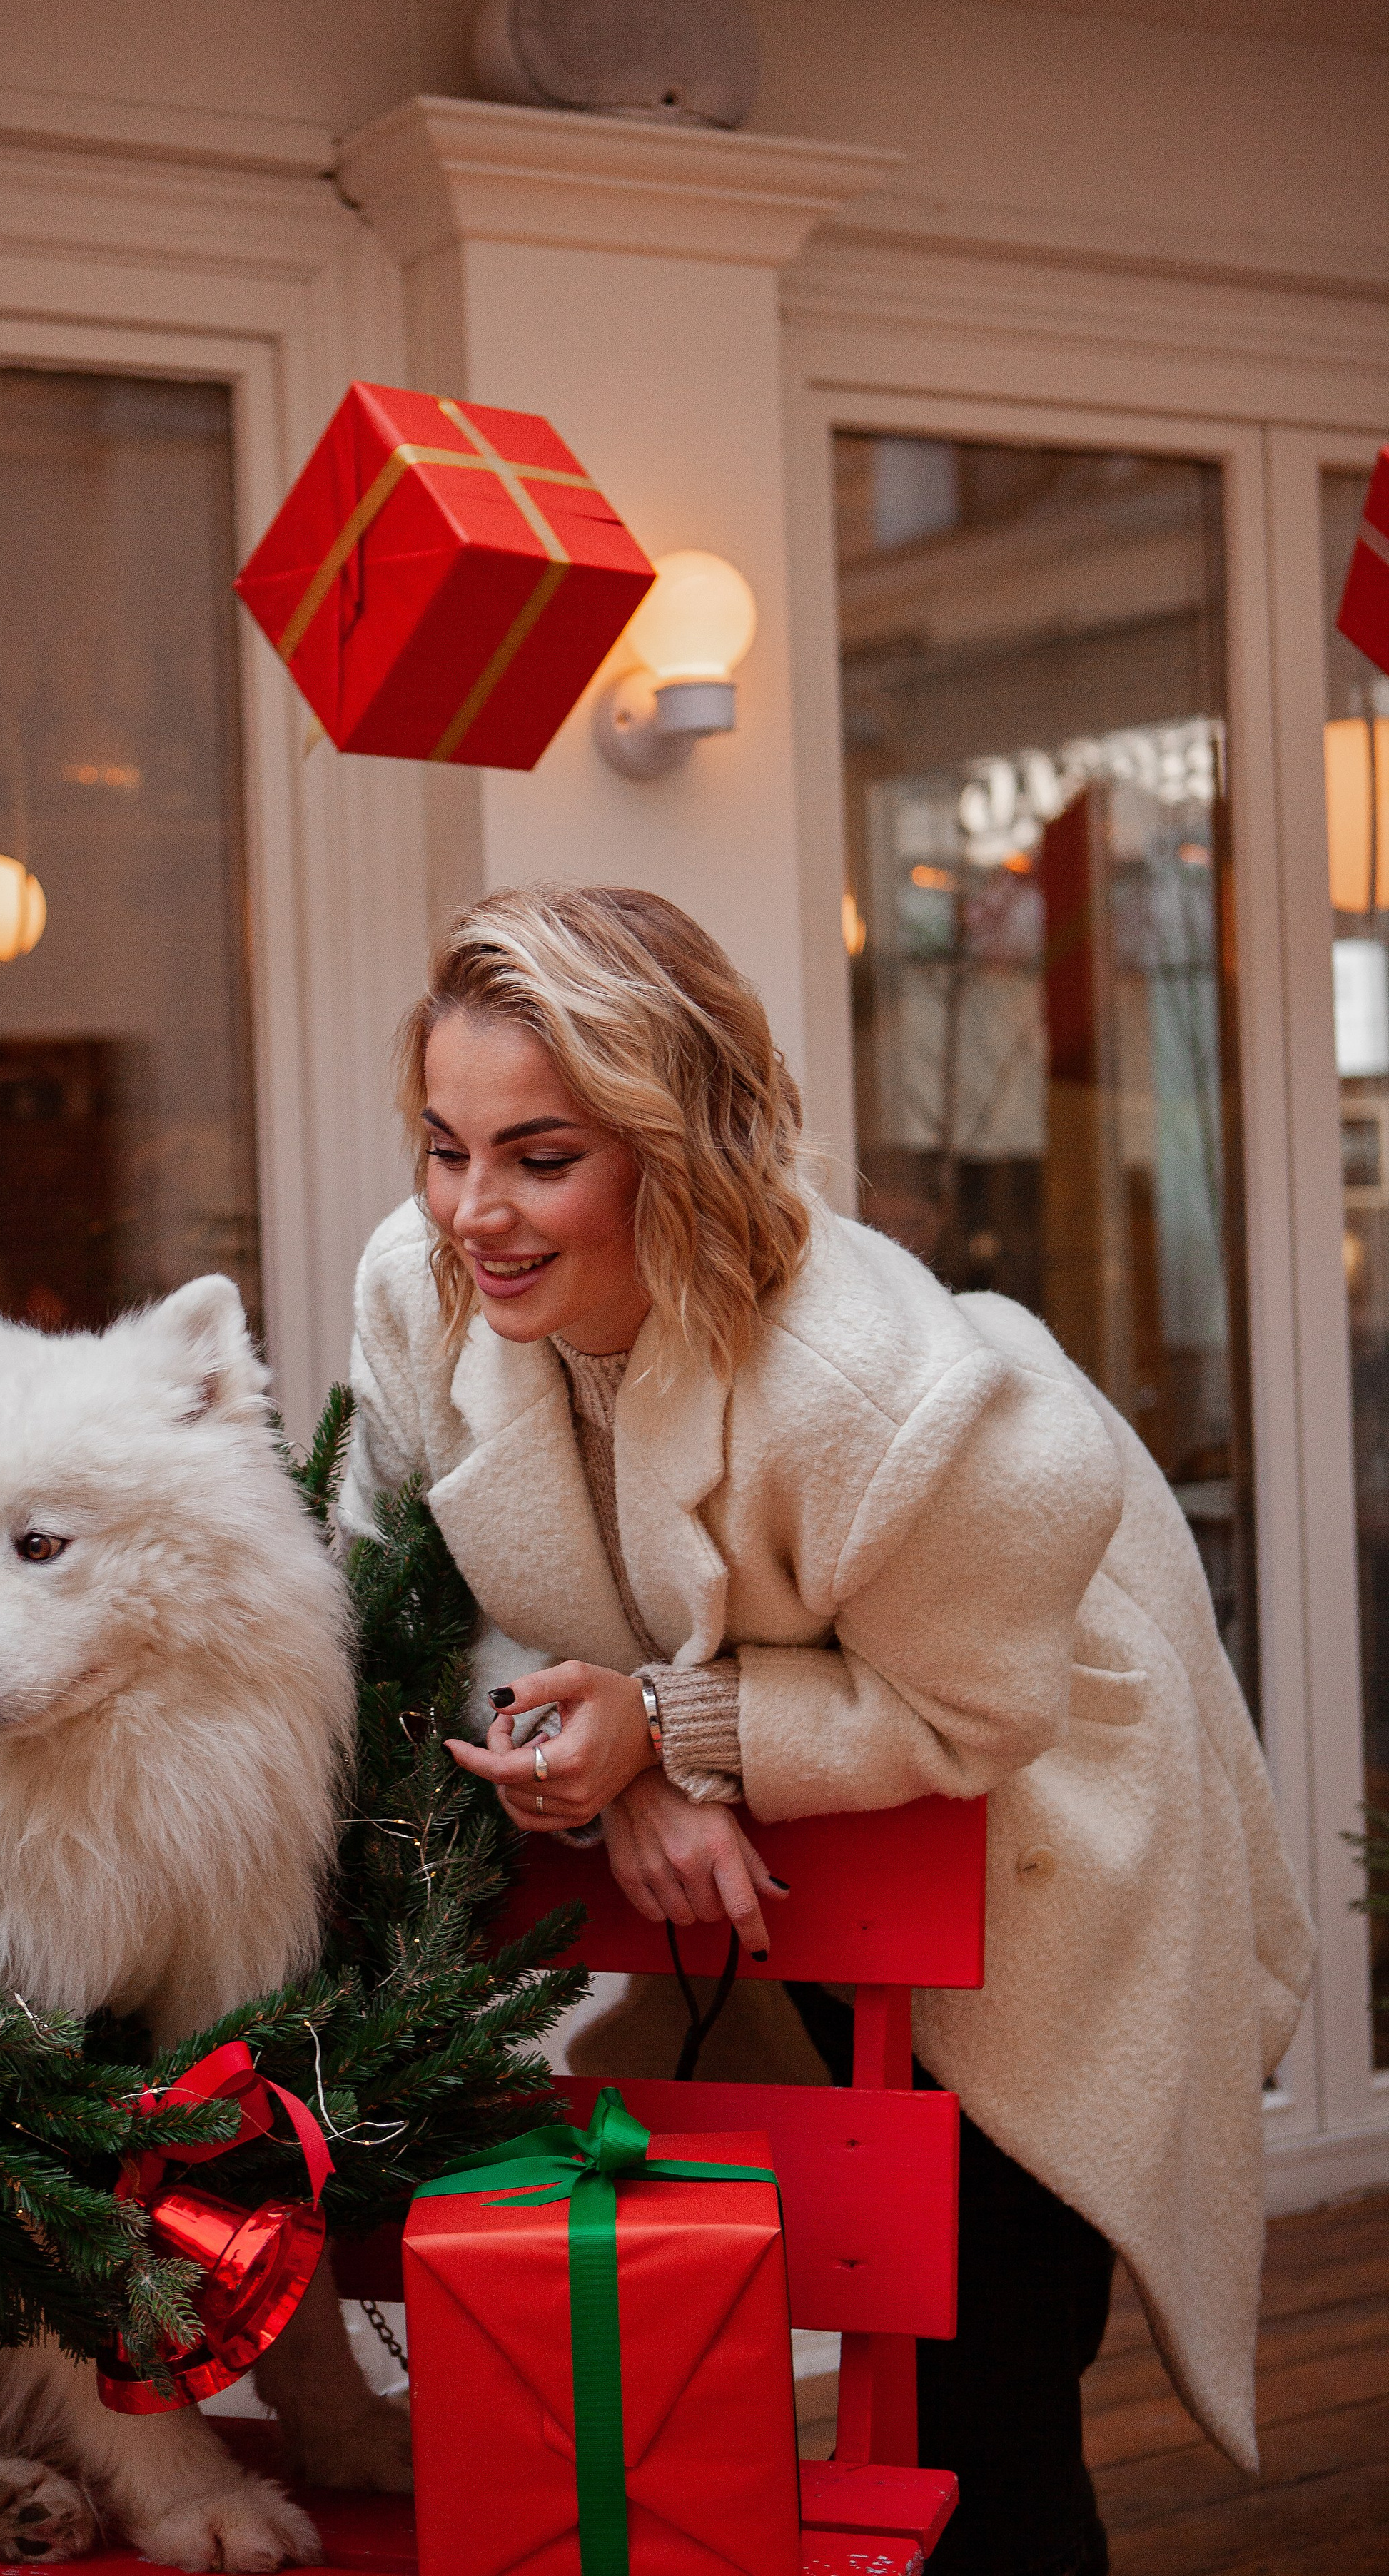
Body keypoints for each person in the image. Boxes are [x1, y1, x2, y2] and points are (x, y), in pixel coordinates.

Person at [340, 883, 1314, 2576]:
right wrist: (612, 1756)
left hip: (1040, 1827)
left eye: (539, 1156)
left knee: (983, 2402)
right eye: (444, 1147)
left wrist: (669, 1724)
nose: (470, 1213)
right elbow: (384, 1587)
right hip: (801, 1817)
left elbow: (976, 1707)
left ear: (675, 1142)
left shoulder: (882, 1387)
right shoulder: (419, 1296)